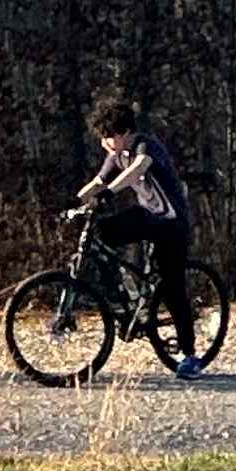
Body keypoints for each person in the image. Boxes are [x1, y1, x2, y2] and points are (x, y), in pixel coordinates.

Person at [85, 90, 198, 370]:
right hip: (148, 216)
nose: (104, 143)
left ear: (124, 133)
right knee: (102, 231)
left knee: (172, 288)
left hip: (171, 222)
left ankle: (190, 356)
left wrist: (109, 193)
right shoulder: (116, 154)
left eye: (108, 136)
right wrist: (75, 203)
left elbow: (137, 169)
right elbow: (97, 182)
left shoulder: (146, 146)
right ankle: (127, 296)